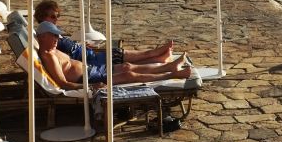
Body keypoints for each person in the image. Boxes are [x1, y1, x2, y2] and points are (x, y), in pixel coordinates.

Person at [35, 21, 197, 89]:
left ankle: (169, 65)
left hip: (92, 69)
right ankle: (172, 74)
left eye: (57, 36)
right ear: (42, 37)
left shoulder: (53, 50)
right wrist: (90, 87)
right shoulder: (49, 56)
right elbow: (63, 84)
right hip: (89, 79)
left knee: (126, 66)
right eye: (53, 35)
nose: (57, 38)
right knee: (129, 74)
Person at [34, 0, 174, 65]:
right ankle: (154, 54)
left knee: (122, 54)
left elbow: (69, 49)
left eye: (57, 16)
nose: (56, 19)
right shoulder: (47, 38)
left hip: (92, 54)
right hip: (95, 61)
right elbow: (62, 57)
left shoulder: (51, 34)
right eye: (52, 16)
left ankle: (157, 58)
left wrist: (82, 46)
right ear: (42, 17)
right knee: (122, 54)